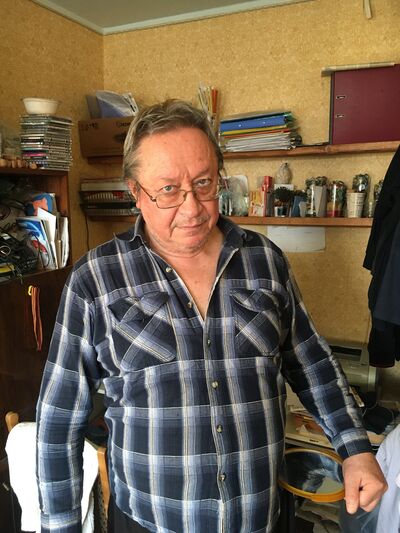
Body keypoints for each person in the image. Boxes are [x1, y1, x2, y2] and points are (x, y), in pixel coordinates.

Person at [36, 99, 387, 533]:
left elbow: (312, 364)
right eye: (168, 190)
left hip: (260, 519)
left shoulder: (264, 261)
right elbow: (58, 420)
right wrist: (61, 525)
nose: (192, 208)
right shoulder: (95, 279)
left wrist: (356, 449)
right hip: (149, 523)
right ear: (135, 192)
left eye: (203, 183)